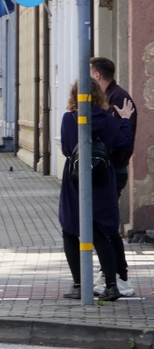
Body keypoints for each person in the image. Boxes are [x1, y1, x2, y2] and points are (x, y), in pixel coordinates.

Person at [59, 79, 134, 302]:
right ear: (98, 95)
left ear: (74, 95)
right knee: (101, 230)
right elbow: (123, 144)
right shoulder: (107, 119)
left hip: (74, 179)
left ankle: (79, 284)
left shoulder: (68, 118)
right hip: (101, 178)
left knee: (71, 229)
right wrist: (126, 121)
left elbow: (65, 149)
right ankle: (111, 285)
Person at [90, 57, 137, 296]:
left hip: (112, 171)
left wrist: (107, 161)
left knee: (107, 225)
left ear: (97, 75)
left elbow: (121, 141)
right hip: (107, 169)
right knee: (105, 224)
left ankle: (119, 275)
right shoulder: (109, 97)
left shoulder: (117, 98)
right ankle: (111, 272)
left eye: (89, 72)